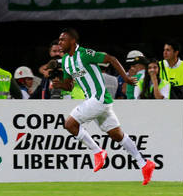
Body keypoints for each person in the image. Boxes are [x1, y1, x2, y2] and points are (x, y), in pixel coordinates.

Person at [52, 28, 155, 185]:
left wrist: (125, 78)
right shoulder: (66, 60)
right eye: (59, 40)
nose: (59, 43)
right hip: (98, 102)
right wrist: (60, 85)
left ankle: (98, 152)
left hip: (98, 98)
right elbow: (70, 85)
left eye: (62, 40)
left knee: (69, 124)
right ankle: (144, 163)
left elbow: (111, 58)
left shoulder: (85, 54)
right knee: (116, 135)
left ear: (73, 41)